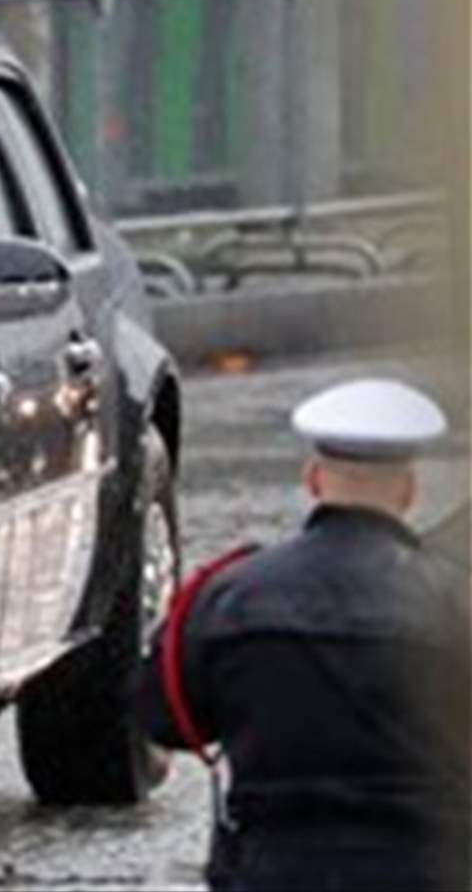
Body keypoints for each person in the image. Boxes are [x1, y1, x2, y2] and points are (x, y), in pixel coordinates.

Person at [135, 378, 470, 891]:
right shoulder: (455, 604)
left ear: (313, 479)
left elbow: (162, 715)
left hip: (273, 869)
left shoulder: (230, 593)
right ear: (407, 492)